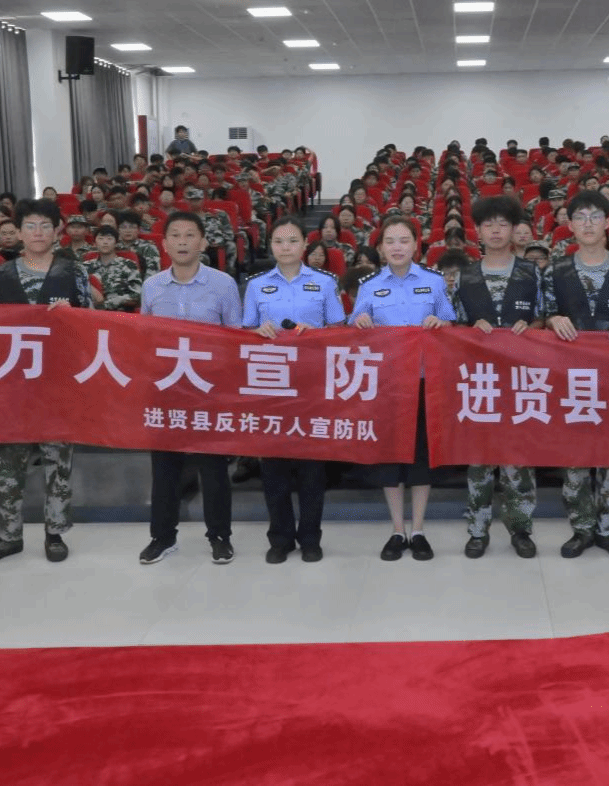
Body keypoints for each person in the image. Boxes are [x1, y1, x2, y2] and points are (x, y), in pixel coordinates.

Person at [0, 198, 91, 565]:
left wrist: (75, 315)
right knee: (7, 463)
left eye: (45, 226)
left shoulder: (73, 272)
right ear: (18, 233)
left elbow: (94, 326)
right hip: (13, 382)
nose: (38, 233)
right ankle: (9, 535)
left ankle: (55, 532)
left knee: (58, 461)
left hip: (59, 380)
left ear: (57, 231)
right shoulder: (3, 274)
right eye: (30, 226)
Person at [139, 211, 244, 565]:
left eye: (190, 235)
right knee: (164, 468)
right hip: (166, 388)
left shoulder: (223, 284)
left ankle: (220, 536)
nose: (182, 242)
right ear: (164, 243)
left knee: (213, 467)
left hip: (209, 389)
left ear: (203, 242)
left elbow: (235, 337)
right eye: (175, 235)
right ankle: (162, 536)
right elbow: (144, 337)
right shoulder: (152, 286)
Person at [545, 190, 609, 560]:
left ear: (608, 223)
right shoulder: (556, 269)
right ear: (569, 225)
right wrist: (553, 318)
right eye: (580, 217)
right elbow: (545, 312)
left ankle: (608, 528)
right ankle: (581, 527)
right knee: (575, 452)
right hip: (571, 376)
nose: (588, 224)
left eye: (595, 216)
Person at [350, 214, 454, 561]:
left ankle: (418, 529)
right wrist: (361, 321)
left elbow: (451, 322)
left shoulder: (434, 281)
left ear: (415, 245)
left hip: (424, 381)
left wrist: (441, 322)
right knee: (391, 458)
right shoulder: (369, 285)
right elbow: (353, 325)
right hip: (387, 384)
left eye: (404, 240)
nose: (397, 247)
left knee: (421, 457)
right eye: (390, 241)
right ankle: (397, 529)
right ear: (381, 248)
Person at [243, 217, 344, 564]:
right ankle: (280, 538)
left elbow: (339, 330)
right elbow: (244, 332)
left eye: (292, 241)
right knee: (273, 466)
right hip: (269, 382)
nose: (285, 247)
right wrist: (257, 331)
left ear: (304, 245)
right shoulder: (256, 285)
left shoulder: (325, 283)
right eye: (278, 241)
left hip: (311, 382)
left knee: (312, 467)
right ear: (270, 246)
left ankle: (311, 538)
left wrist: (313, 333)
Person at [452, 196, 543, 560]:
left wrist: (533, 326)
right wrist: (470, 328)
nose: (495, 230)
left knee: (518, 457)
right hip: (480, 379)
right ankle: (477, 530)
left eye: (502, 224)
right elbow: (455, 326)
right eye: (488, 224)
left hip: (522, 379)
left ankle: (521, 529)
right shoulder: (465, 275)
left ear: (515, 230)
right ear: (477, 231)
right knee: (480, 459)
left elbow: (545, 317)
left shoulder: (532, 272)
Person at [84, 224, 143, 311]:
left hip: (120, 314)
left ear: (116, 243)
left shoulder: (129, 265)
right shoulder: (85, 267)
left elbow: (137, 295)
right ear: (94, 244)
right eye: (101, 238)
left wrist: (110, 303)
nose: (105, 242)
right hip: (91, 313)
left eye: (109, 239)